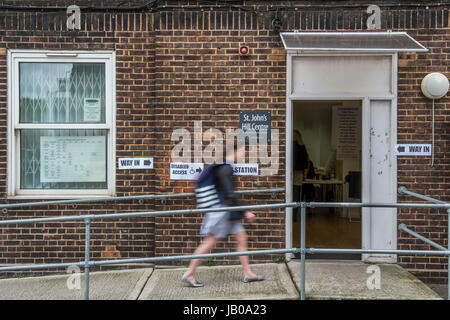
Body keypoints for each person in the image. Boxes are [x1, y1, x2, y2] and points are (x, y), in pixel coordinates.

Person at [181, 144, 264, 287]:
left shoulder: (224, 166)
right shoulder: (226, 168)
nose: (245, 154)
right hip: (221, 212)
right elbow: (230, 194)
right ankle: (189, 273)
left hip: (228, 211)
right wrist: (246, 212)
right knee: (209, 243)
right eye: (244, 151)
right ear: (235, 151)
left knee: (242, 238)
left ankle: (248, 273)